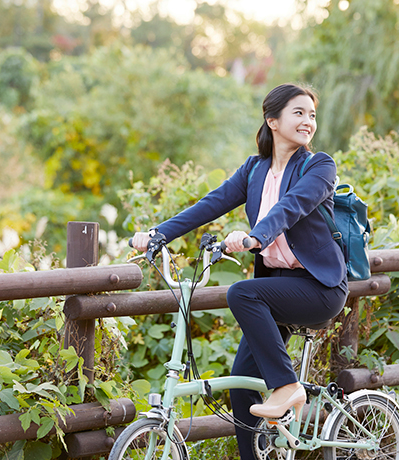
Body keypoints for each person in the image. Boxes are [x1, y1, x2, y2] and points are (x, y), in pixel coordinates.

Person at [130, 83, 348, 459]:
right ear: (272, 120)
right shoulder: (254, 169)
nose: (308, 121)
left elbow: (292, 207)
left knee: (241, 292)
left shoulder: (319, 166)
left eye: (312, 114)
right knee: (242, 385)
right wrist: (158, 235)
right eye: (298, 112)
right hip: (275, 289)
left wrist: (254, 237)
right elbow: (211, 203)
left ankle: (287, 386)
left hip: (319, 288)